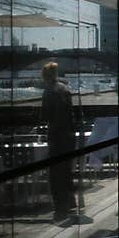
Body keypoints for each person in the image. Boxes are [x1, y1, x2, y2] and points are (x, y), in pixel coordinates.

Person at [40, 62, 77, 221]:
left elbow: (45, 115)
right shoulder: (65, 89)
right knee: (67, 169)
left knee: (55, 172)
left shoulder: (48, 91)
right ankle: (69, 201)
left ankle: (59, 205)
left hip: (56, 135)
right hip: (68, 135)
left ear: (44, 76)